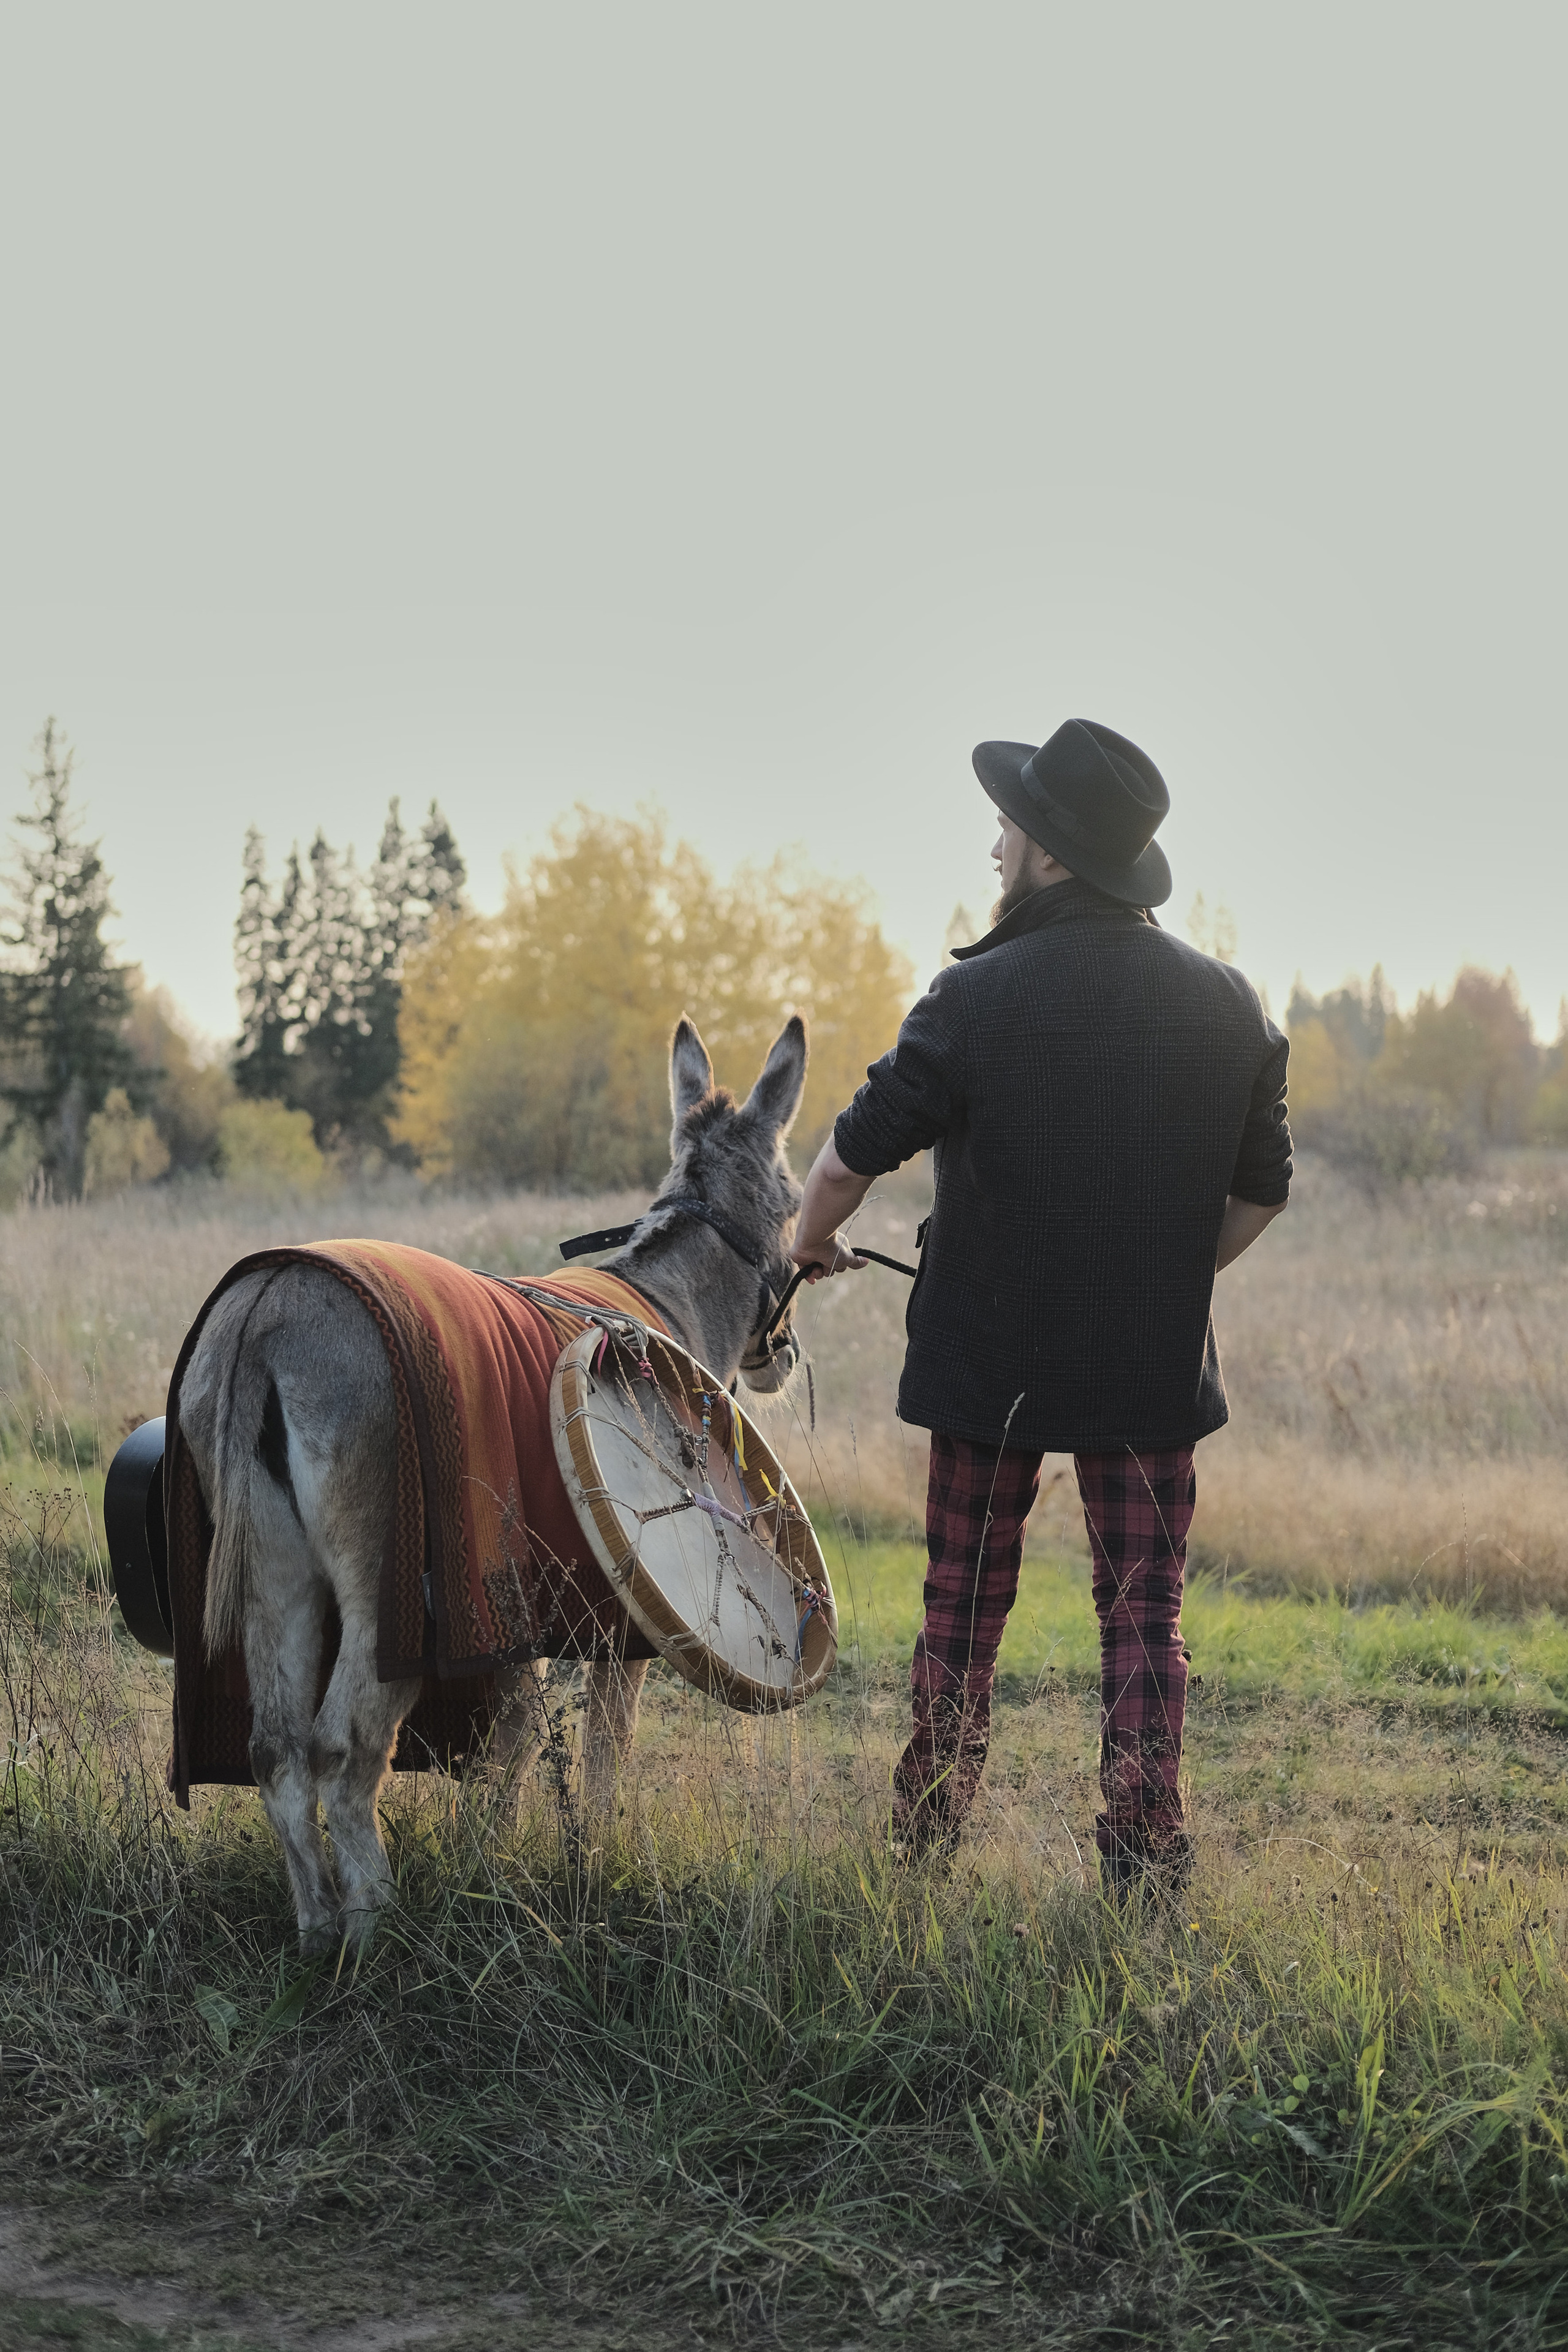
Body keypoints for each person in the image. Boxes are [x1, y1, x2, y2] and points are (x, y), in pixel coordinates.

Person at [789, 720, 1292, 1899]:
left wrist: (806, 1244)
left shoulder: (974, 996)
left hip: (986, 1364)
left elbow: (848, 1160)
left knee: (961, 1604)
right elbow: (1263, 1193)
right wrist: (1164, 1280)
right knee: (1144, 1613)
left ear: (1052, 853)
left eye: (1008, 826)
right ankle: (1145, 1858)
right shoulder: (1231, 1003)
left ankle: (928, 1839)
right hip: (1148, 1370)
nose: (995, 844)